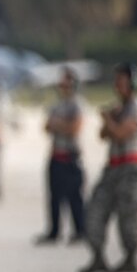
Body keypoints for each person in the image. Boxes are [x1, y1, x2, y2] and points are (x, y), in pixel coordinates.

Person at [79, 63, 137, 272]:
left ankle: (130, 259)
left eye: (121, 81)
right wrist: (110, 120)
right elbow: (103, 135)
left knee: (128, 216)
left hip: (130, 167)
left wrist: (109, 119)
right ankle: (98, 257)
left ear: (132, 83)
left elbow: (120, 134)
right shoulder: (119, 108)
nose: (117, 86)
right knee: (94, 211)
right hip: (112, 166)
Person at [35, 67, 87, 244]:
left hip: (71, 157)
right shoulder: (56, 105)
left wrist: (59, 124)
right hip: (56, 155)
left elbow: (74, 129)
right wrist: (61, 124)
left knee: (74, 196)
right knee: (54, 197)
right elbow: (47, 127)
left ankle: (80, 231)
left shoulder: (77, 104)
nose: (63, 87)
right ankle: (54, 231)